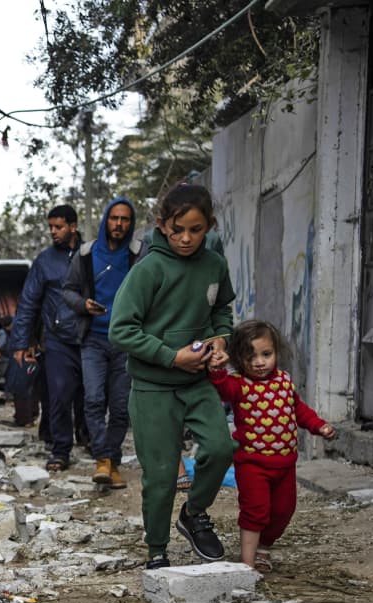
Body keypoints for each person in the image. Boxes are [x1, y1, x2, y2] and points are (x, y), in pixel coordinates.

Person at [109, 183, 237, 570]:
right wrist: (170, 356)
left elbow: (221, 313)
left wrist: (220, 341)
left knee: (220, 448)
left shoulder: (215, 265)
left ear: (209, 227)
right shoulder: (149, 269)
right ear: (162, 225)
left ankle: (194, 513)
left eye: (195, 230)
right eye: (177, 229)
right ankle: (157, 550)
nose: (185, 238)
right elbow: (121, 330)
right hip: (152, 388)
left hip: (197, 382)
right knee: (162, 475)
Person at [209, 320, 334, 572]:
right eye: (250, 356)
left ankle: (264, 547)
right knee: (256, 511)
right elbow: (222, 389)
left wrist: (319, 426)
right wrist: (217, 370)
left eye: (266, 354)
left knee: (283, 511)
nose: (259, 362)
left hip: (286, 465)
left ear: (276, 352)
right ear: (238, 359)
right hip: (253, 463)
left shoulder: (284, 382)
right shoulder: (239, 384)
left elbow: (299, 410)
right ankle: (247, 563)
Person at [62, 197, 141, 489]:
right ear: (105, 219)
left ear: (131, 223)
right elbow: (67, 291)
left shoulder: (138, 254)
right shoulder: (85, 253)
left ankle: (111, 462)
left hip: (126, 341)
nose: (119, 224)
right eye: (114, 218)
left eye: (125, 219)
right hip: (93, 338)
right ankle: (103, 460)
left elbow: (150, 292)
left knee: (120, 407)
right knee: (93, 400)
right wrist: (83, 304)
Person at [9, 205, 84, 470]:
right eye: (50, 227)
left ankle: (91, 441)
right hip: (57, 340)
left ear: (73, 227)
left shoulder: (91, 255)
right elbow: (28, 302)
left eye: (59, 226)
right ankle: (60, 449)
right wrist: (21, 342)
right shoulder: (44, 261)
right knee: (59, 395)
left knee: (92, 397)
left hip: (89, 338)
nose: (53, 232)